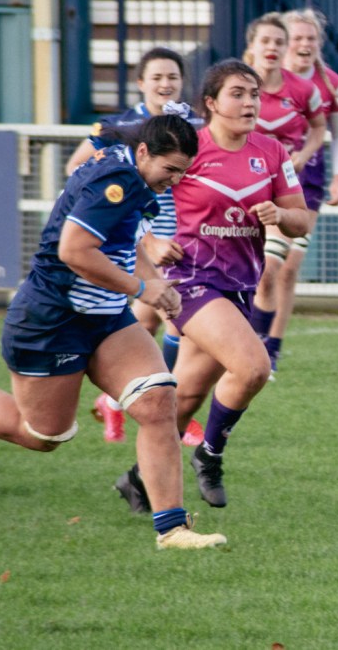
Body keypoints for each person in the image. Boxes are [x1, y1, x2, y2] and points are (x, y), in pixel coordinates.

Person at [0, 115, 226, 550]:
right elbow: (74, 250)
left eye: (183, 172)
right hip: (52, 320)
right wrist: (142, 288)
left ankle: (173, 530)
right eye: (170, 170)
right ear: (144, 152)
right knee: (42, 435)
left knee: (158, 402)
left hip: (105, 318)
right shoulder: (115, 181)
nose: (175, 180)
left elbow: (126, 239)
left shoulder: (136, 173)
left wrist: (155, 283)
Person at [112, 59, 310, 511]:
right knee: (254, 367)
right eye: (237, 94)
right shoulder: (188, 144)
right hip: (191, 280)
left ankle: (139, 481)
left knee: (185, 399)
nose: (249, 102)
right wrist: (151, 241)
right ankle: (210, 454)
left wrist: (281, 215)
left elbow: (301, 219)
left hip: (239, 286)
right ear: (211, 103)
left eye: (255, 94)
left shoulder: (272, 152)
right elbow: (128, 198)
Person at [65, 46, 206, 446]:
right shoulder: (120, 127)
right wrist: (146, 237)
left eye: (173, 77)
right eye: (157, 77)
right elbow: (76, 168)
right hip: (143, 242)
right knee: (173, 320)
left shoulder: (193, 127)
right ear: (141, 82)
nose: (165, 84)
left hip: (184, 240)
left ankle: (120, 402)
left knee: (152, 323)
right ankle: (171, 410)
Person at [249, 8, 338, 377]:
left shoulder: (328, 85)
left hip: (303, 185)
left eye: (312, 38)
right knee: (259, 267)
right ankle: (246, 343)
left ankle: (269, 347)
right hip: (254, 183)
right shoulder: (254, 80)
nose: (304, 44)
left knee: (284, 269)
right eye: (298, 38)